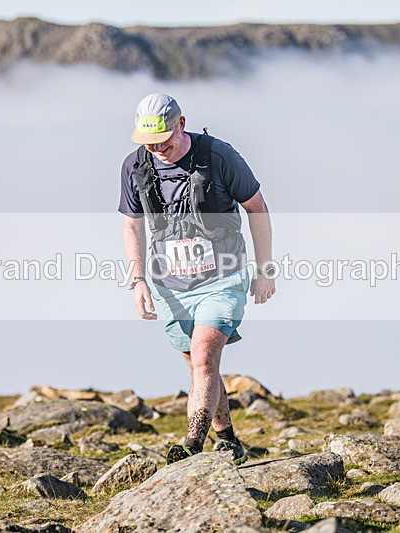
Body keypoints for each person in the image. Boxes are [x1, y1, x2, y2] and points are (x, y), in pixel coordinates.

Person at [119, 93, 275, 465]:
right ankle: (229, 439)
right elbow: (132, 224)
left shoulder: (219, 157)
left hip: (223, 278)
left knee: (204, 356)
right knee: (201, 366)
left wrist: (264, 269)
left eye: (164, 140)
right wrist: (138, 280)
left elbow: (257, 207)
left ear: (182, 125)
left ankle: (192, 445)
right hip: (171, 286)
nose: (157, 149)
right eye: (149, 142)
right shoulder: (135, 166)